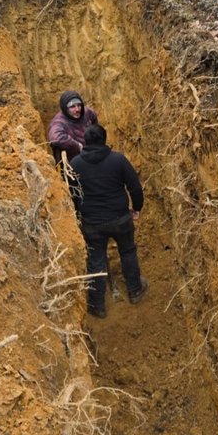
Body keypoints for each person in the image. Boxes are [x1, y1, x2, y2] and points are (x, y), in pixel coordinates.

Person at [70, 123, 148, 319]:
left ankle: (97, 305)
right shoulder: (118, 160)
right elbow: (135, 188)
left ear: (85, 142)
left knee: (96, 261)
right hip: (120, 218)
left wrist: (78, 214)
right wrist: (136, 208)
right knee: (128, 251)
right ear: (104, 139)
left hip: (92, 223)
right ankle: (135, 290)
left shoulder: (76, 164)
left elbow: (71, 194)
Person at [47, 90, 98, 165]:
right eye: (72, 107)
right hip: (72, 164)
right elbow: (55, 137)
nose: (77, 109)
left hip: (91, 156)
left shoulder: (87, 113)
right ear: (65, 108)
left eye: (79, 105)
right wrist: (77, 146)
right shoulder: (59, 122)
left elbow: (94, 120)